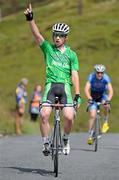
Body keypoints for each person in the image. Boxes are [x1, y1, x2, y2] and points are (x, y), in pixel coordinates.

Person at [24, 4, 81, 155]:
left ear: (66, 38)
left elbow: (74, 75)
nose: (57, 37)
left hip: (65, 88)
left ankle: (66, 139)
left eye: (60, 35)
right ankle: (45, 143)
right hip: (51, 86)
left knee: (69, 116)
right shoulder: (48, 49)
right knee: (43, 114)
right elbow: (37, 35)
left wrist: (77, 95)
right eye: (55, 35)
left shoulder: (72, 55)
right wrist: (31, 19)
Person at [84, 64, 113, 145]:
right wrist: (89, 98)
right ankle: (90, 134)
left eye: (101, 72)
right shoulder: (91, 77)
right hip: (93, 97)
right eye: (98, 72)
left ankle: (105, 121)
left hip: (103, 96)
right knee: (92, 115)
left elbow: (110, 91)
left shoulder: (106, 78)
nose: (100, 74)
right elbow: (86, 89)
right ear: (95, 72)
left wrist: (108, 100)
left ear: (103, 73)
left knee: (106, 105)